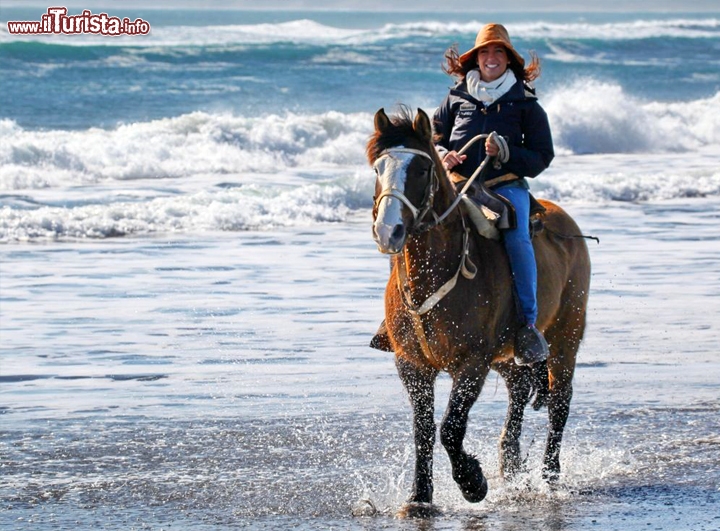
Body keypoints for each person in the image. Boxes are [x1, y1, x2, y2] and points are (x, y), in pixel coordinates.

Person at [433, 23, 554, 365]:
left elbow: (542, 156)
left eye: (498, 51)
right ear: (475, 59)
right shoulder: (456, 96)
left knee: (517, 236)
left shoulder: (526, 104)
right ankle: (399, 318)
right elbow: (433, 137)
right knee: (415, 222)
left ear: (509, 60)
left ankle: (528, 326)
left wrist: (507, 153)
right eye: (485, 51)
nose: (491, 58)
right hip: (456, 185)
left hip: (505, 188)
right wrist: (444, 155)